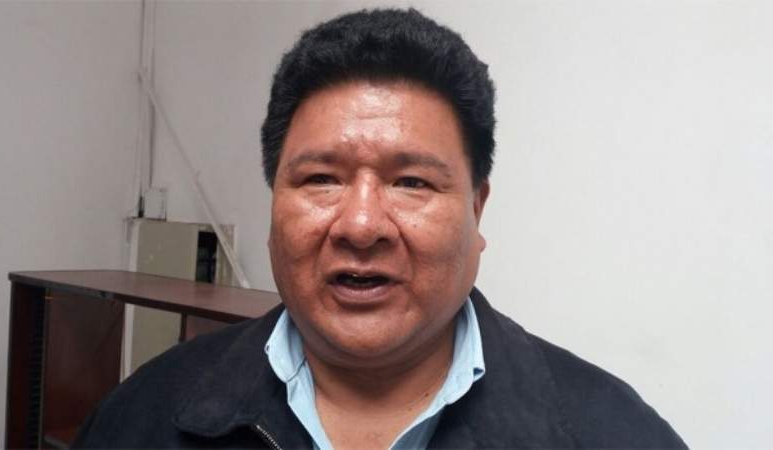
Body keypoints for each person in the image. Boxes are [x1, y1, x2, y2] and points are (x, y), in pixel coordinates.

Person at [73, 8, 686, 449]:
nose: (361, 225)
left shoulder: (613, 433)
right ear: (274, 205)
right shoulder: (141, 418)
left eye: (411, 182)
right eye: (321, 179)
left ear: (476, 211)